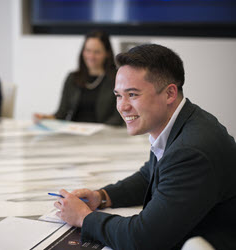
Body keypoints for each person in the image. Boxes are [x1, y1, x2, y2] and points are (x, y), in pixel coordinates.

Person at [54, 44, 236, 249]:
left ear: (169, 94)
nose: (122, 106)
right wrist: (101, 197)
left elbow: (143, 239)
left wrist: (84, 218)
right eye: (118, 95)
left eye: (132, 94)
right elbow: (149, 175)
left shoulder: (191, 150)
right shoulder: (183, 122)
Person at [34, 30, 124, 126]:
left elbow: (118, 118)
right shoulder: (73, 78)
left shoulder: (117, 79)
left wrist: (99, 130)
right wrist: (45, 118)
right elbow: (61, 114)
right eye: (88, 51)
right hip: (74, 133)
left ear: (107, 53)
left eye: (97, 52)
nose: (91, 56)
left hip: (102, 135)